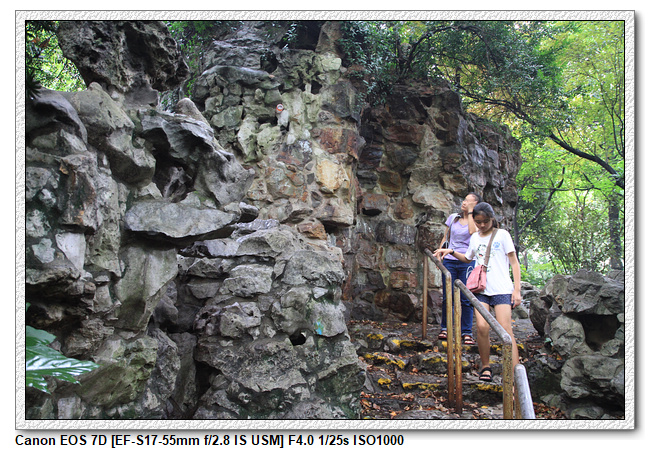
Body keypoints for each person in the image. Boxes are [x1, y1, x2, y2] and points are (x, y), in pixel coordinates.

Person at [433, 202, 521, 382]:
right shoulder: (474, 238)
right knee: (481, 327)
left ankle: (514, 375)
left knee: (505, 330)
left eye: (485, 221)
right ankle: (486, 366)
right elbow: (468, 258)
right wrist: (451, 251)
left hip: (501, 288)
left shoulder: (502, 235)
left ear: (492, 219)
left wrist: (517, 290)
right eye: (478, 222)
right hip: (481, 288)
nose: (481, 225)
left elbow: (514, 262)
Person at [436, 193, 481, 345]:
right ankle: (445, 328)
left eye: (469, 201)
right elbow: (446, 238)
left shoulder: (476, 221)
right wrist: (440, 253)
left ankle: (466, 332)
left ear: (475, 204)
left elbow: (472, 232)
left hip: (467, 261)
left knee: (465, 298)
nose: (464, 202)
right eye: (464, 200)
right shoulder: (453, 218)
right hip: (450, 260)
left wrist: (471, 212)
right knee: (447, 296)